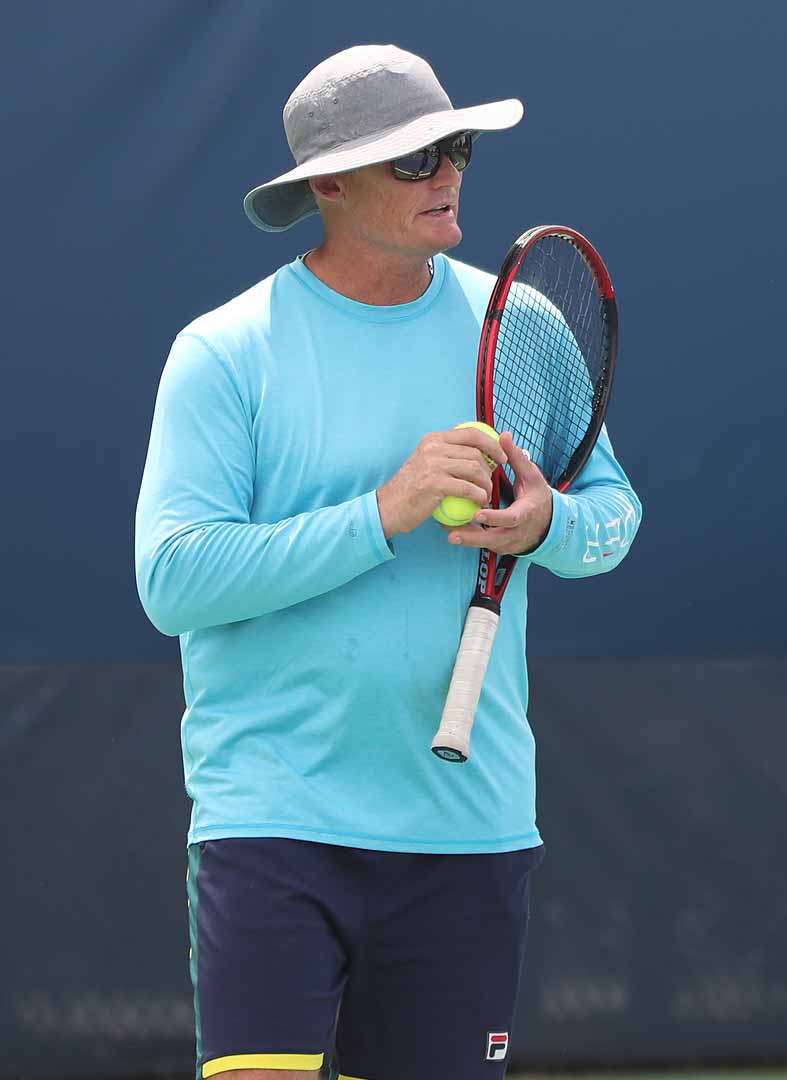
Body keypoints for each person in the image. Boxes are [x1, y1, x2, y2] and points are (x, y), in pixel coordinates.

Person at [134, 45, 641, 1079]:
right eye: (413, 159)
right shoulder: (225, 352)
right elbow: (174, 579)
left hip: (469, 831)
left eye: (454, 148)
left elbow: (614, 516)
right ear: (327, 184)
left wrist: (545, 525)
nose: (448, 173)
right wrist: (384, 511)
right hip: (272, 827)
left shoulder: (523, 328)